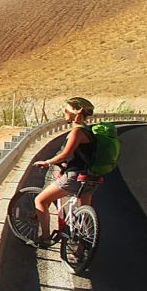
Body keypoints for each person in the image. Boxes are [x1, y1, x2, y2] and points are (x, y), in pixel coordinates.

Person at [31, 97, 99, 248]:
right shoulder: (89, 131)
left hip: (74, 177)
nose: (64, 112)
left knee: (40, 201)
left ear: (76, 113)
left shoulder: (77, 132)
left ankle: (45, 238)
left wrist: (47, 162)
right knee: (84, 217)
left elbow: (65, 155)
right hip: (90, 177)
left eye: (67, 110)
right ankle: (82, 249)